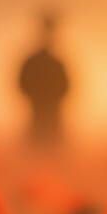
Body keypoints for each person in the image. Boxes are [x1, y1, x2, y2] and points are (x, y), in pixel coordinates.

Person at [17, 9, 70, 144]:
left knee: (48, 142)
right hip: (39, 112)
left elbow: (67, 87)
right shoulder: (52, 62)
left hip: (49, 113)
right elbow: (22, 83)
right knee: (42, 141)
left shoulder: (54, 62)